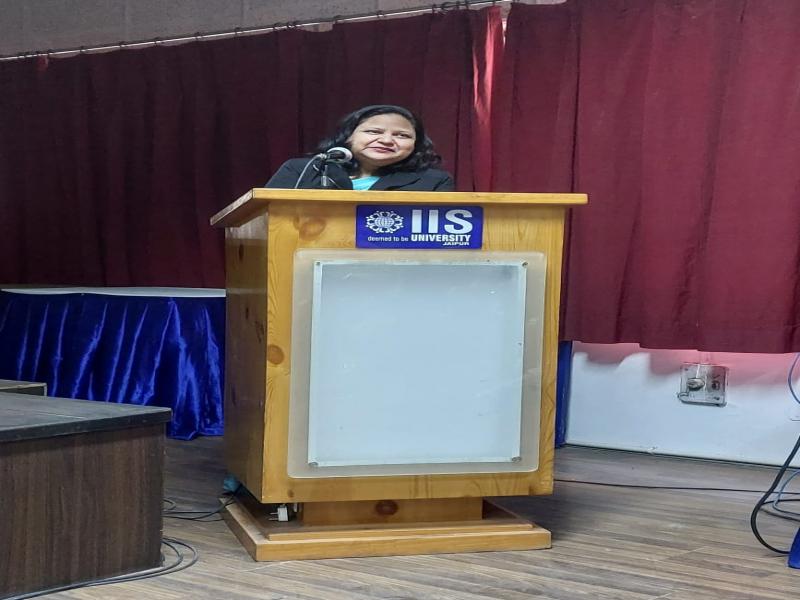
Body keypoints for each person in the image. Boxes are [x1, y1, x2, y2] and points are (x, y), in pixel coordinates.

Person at [265, 104, 455, 191]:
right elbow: (265, 219)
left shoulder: (434, 181)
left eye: (402, 135)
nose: (387, 140)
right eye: (374, 132)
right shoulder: (302, 169)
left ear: (416, 144)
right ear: (348, 136)